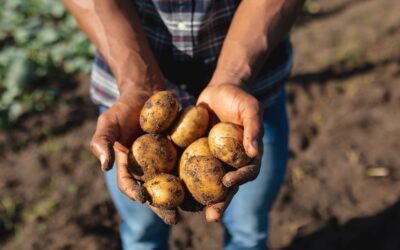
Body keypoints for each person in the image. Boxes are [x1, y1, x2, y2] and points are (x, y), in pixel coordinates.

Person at [62, 0, 304, 249]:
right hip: (129, 100)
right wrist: (137, 84)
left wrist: (233, 77)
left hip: (249, 95)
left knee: (248, 228)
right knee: (141, 231)